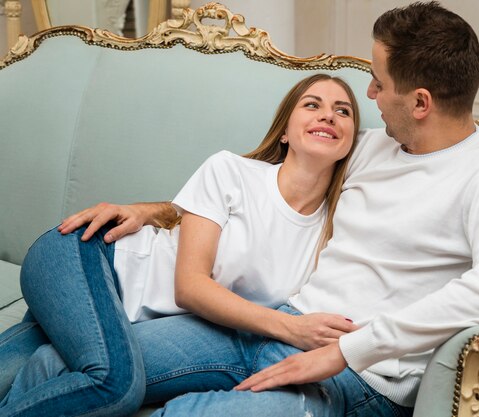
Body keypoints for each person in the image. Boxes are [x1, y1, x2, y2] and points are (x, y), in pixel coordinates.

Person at [4, 2, 479, 416]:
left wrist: (351, 350)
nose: (369, 92)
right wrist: (155, 210)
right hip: (273, 324)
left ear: (420, 103)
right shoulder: (372, 148)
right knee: (55, 363)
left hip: (355, 373)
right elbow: (265, 185)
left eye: (378, 82)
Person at [0, 73, 360, 416]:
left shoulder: (334, 229)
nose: (328, 115)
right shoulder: (231, 171)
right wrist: (291, 328)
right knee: (115, 385)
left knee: (25, 372)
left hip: (110, 315)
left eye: (342, 111)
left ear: (353, 142)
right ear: (284, 131)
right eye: (312, 105)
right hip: (89, 258)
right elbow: (190, 286)